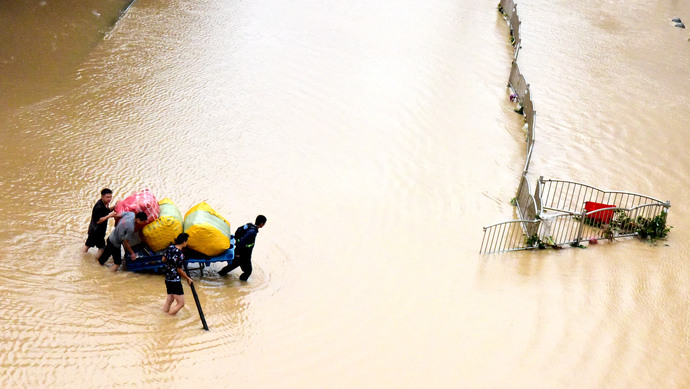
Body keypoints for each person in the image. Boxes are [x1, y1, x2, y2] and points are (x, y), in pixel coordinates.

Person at [218, 215, 267, 281]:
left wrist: (237, 249)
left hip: (239, 253)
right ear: (262, 224)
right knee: (248, 271)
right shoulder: (252, 232)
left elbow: (238, 231)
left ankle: (219, 275)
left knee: (232, 266)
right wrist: (238, 253)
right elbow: (242, 242)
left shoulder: (249, 225)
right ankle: (242, 284)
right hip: (244, 255)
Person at [162, 233, 193, 316]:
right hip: (175, 280)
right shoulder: (180, 254)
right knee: (181, 303)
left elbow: (163, 259)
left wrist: (171, 262)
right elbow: (179, 270)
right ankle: (168, 318)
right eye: (187, 241)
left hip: (168, 278)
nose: (187, 243)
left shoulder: (170, 248)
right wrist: (187, 278)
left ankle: (163, 315)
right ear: (183, 242)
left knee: (170, 300)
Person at [83, 188, 117, 257]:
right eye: (107, 197)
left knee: (88, 245)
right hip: (97, 231)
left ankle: (82, 257)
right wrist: (109, 216)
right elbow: (99, 221)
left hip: (94, 230)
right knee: (102, 248)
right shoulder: (99, 207)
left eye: (110, 197)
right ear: (102, 196)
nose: (109, 199)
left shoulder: (105, 204)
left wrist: (114, 207)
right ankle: (96, 262)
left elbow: (107, 211)